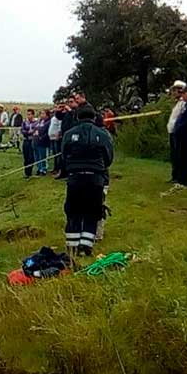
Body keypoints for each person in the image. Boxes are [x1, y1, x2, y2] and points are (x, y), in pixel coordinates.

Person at [62, 105, 113, 259]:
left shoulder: (69, 134)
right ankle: (86, 245)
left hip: (75, 178)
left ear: (77, 117)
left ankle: (72, 246)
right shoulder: (102, 134)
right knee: (92, 211)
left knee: (73, 210)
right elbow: (109, 157)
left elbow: (64, 155)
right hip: (95, 178)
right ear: (94, 117)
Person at [166, 80, 187, 183]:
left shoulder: (183, 103)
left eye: (175, 90)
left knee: (178, 155)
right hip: (172, 132)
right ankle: (174, 176)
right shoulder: (177, 103)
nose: (173, 93)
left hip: (177, 133)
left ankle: (179, 177)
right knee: (174, 155)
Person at [34, 110, 51, 176]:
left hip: (43, 142)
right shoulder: (39, 121)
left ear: (47, 115)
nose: (41, 115)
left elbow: (47, 132)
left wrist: (42, 137)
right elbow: (35, 129)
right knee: (37, 156)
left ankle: (44, 169)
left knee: (43, 156)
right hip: (36, 141)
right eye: (41, 113)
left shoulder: (48, 122)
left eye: (43, 113)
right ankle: (39, 168)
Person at [21, 109, 37, 178]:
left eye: (30, 114)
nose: (28, 116)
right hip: (26, 141)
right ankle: (26, 172)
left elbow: (36, 130)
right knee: (26, 157)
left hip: (32, 141)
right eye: (27, 114)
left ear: (33, 115)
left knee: (31, 157)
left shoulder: (36, 122)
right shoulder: (25, 122)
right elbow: (22, 130)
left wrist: (32, 132)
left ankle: (29, 171)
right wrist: (28, 132)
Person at [48, 105, 63, 175]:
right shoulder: (53, 118)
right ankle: (55, 168)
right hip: (52, 138)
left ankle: (58, 169)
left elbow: (60, 126)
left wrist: (58, 134)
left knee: (58, 154)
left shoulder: (59, 117)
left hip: (56, 138)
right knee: (54, 154)